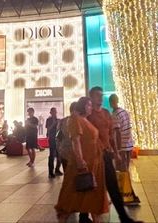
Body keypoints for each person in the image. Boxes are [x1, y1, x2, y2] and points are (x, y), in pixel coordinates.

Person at [80, 87, 139, 223]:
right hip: (93, 156)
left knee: (112, 186)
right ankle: (83, 217)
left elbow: (111, 135)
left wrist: (116, 152)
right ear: (90, 97)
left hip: (106, 154)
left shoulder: (106, 113)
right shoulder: (88, 114)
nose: (100, 98)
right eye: (97, 95)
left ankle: (123, 217)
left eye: (101, 95)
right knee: (90, 186)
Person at [55, 97, 108, 223]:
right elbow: (75, 140)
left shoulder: (85, 120)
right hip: (83, 164)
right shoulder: (76, 119)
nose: (91, 107)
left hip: (93, 163)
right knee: (72, 197)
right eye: (89, 105)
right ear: (83, 106)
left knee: (90, 199)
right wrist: (80, 160)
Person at [109, 93, 140, 205]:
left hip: (121, 147)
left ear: (112, 102)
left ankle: (129, 195)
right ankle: (126, 194)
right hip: (129, 145)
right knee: (125, 170)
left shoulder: (115, 114)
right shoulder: (125, 112)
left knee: (122, 171)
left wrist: (116, 149)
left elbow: (117, 132)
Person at [56, 102, 77, 171]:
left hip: (64, 152)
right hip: (73, 153)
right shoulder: (78, 121)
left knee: (67, 176)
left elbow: (58, 138)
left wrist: (59, 151)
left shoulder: (62, 121)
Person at [46, 107, 63, 178]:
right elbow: (48, 129)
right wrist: (54, 123)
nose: (54, 113)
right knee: (52, 155)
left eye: (55, 112)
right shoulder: (48, 120)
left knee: (59, 155)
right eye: (53, 112)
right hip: (52, 139)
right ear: (50, 112)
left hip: (58, 139)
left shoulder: (58, 120)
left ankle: (57, 169)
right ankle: (50, 171)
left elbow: (60, 129)